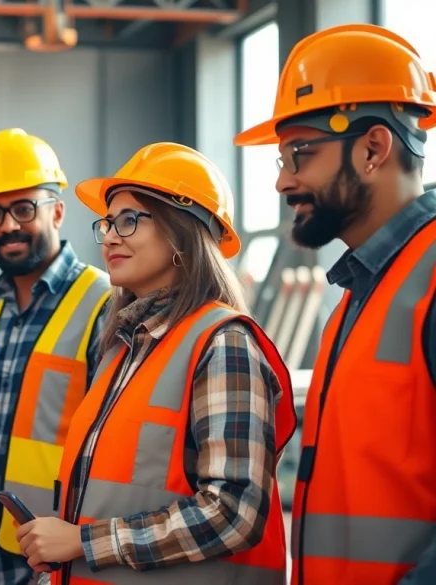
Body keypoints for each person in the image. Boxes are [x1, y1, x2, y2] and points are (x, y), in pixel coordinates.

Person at [15, 142, 296, 584]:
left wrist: (83, 543)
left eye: (128, 221)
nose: (109, 236)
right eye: (107, 222)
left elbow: (233, 511)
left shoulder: (223, 344)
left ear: (181, 232)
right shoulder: (126, 349)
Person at [234, 23, 436, 585]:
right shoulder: (361, 292)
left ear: (373, 148)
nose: (283, 181)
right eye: (281, 159)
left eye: (300, 153)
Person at [0, 128, 114, 585]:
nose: (8, 226)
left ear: (58, 211)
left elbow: (116, 454)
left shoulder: (106, 305)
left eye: (24, 208)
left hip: (55, 566)